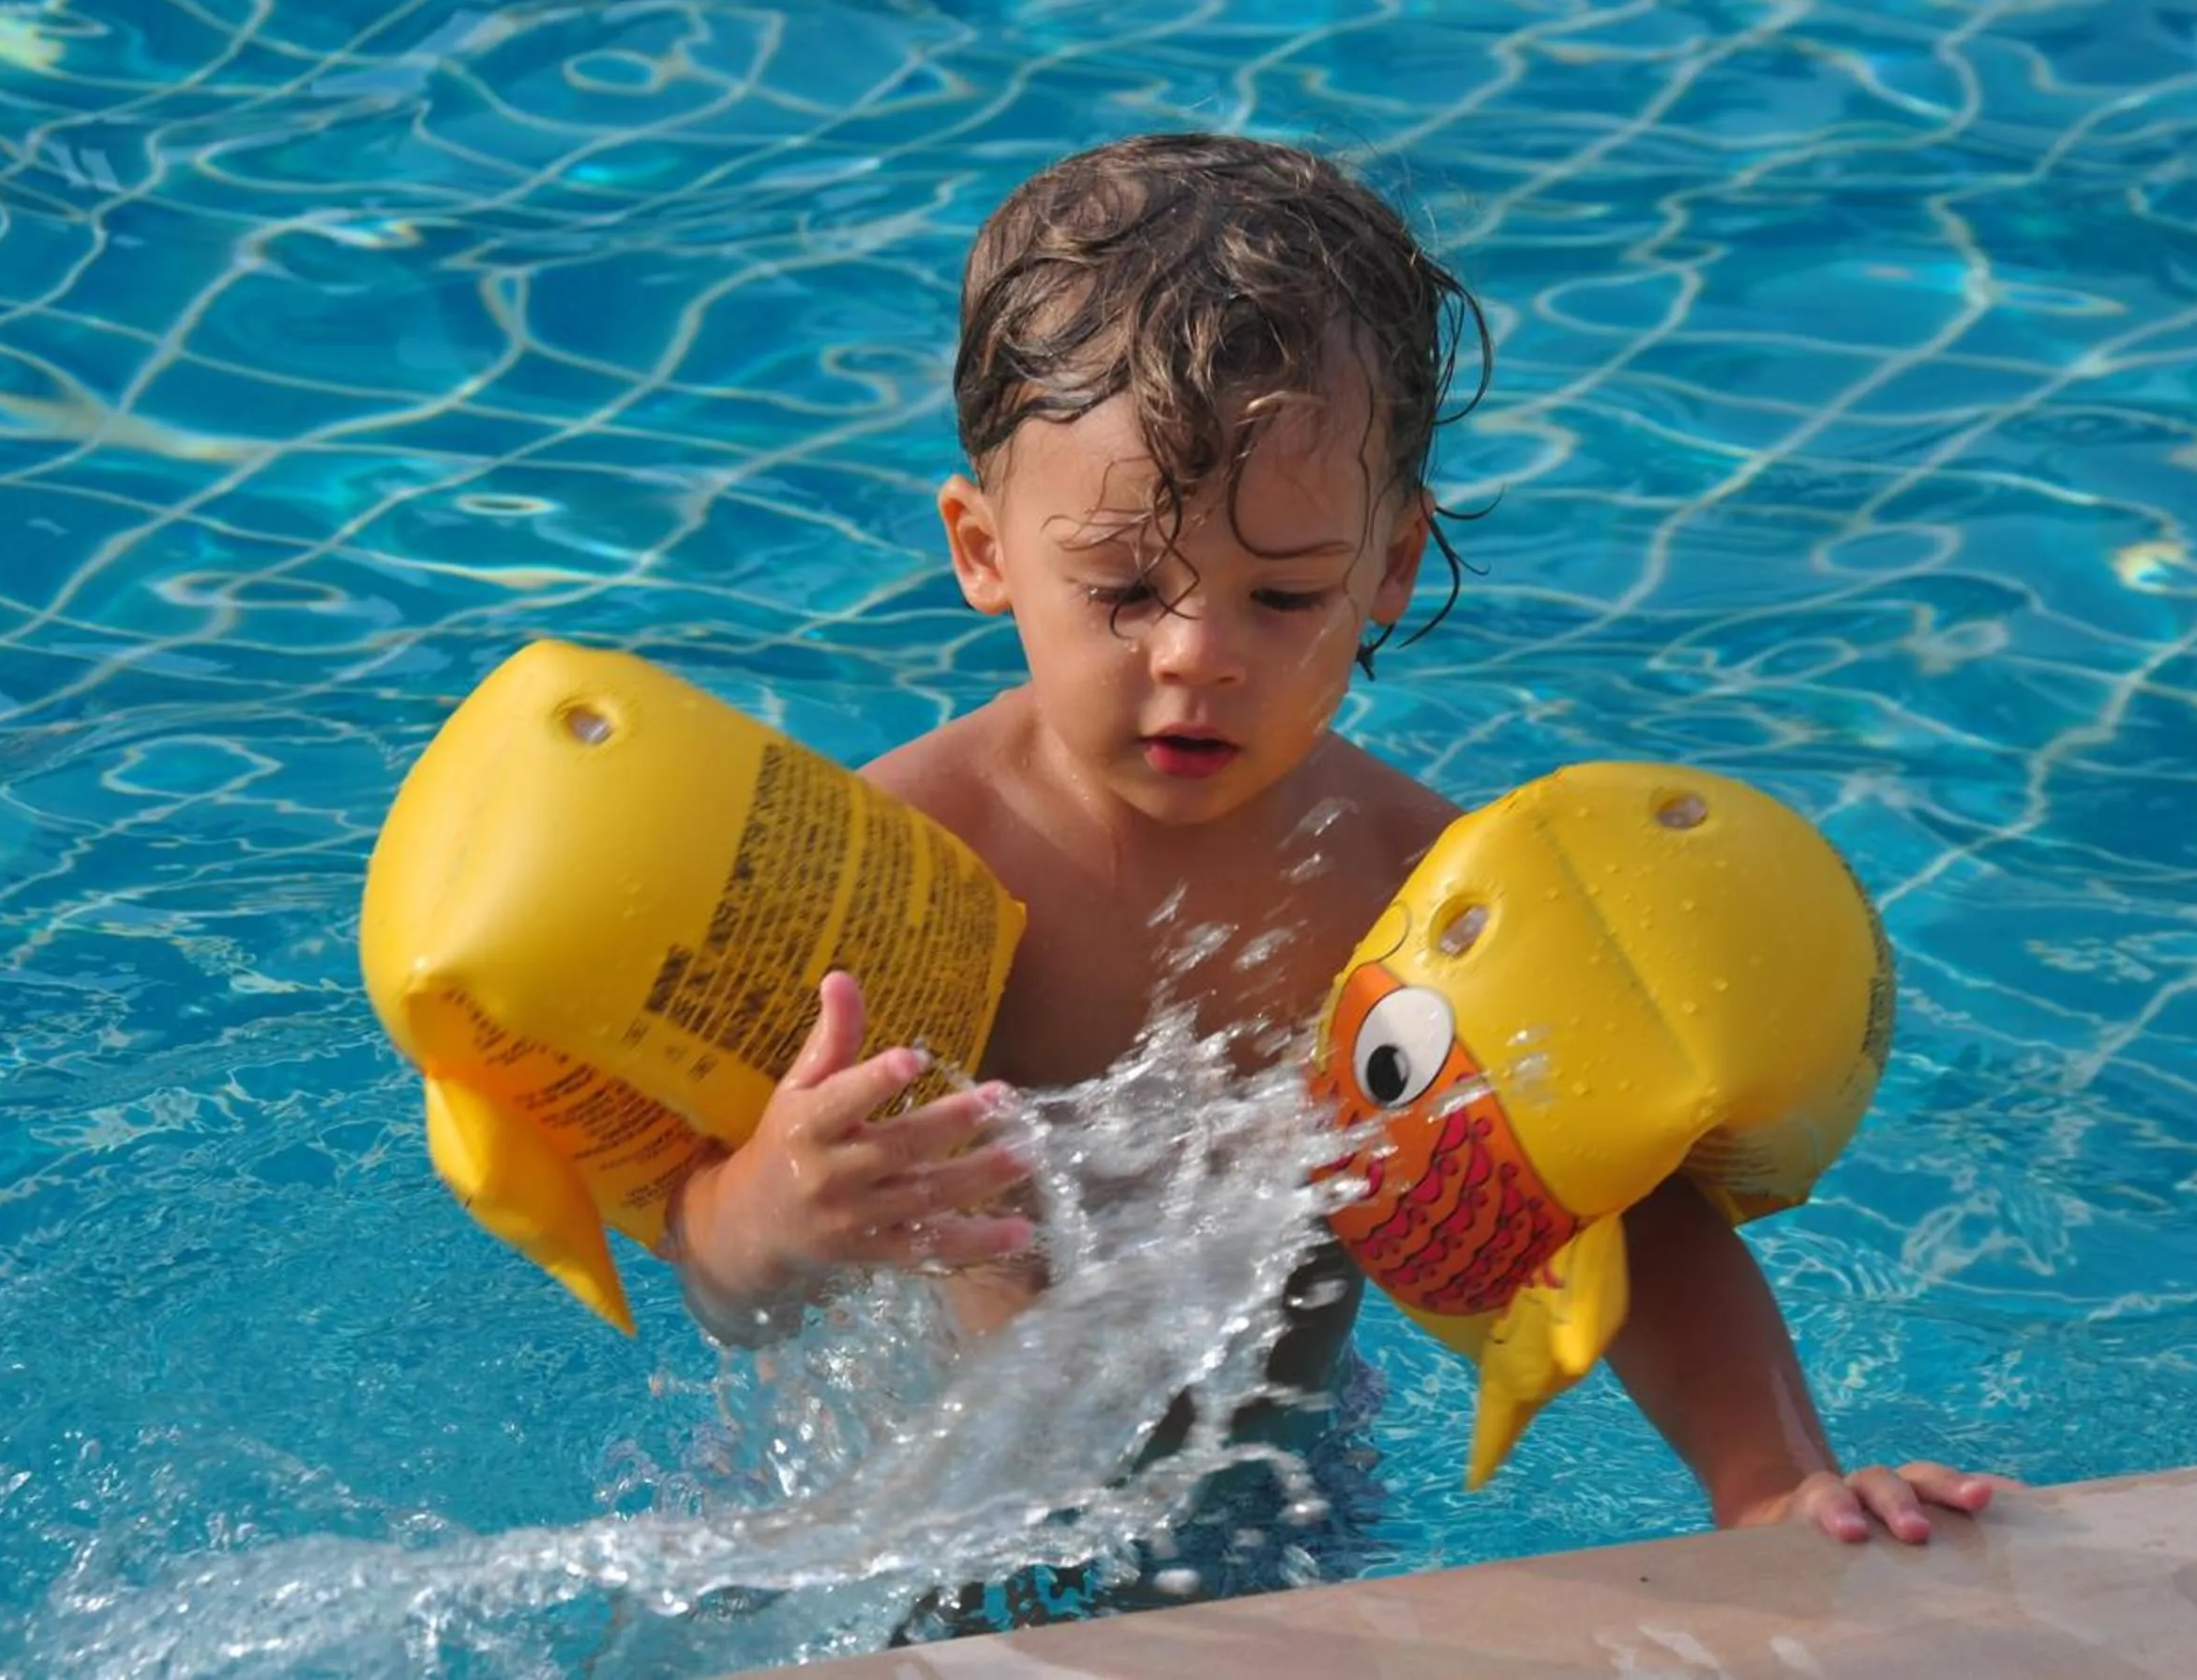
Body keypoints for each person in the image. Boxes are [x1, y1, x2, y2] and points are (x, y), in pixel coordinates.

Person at [663, 133, 2007, 1566]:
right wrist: (771, 1218)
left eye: (1284, 597)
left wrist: (1774, 1483)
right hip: (905, 1511)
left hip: (1263, 1497)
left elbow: (1629, 1219)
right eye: (1125, 588)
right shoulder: (896, 869)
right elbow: (724, 1290)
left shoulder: (1420, 897)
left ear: (1390, 566)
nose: (1198, 655)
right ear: (984, 549)